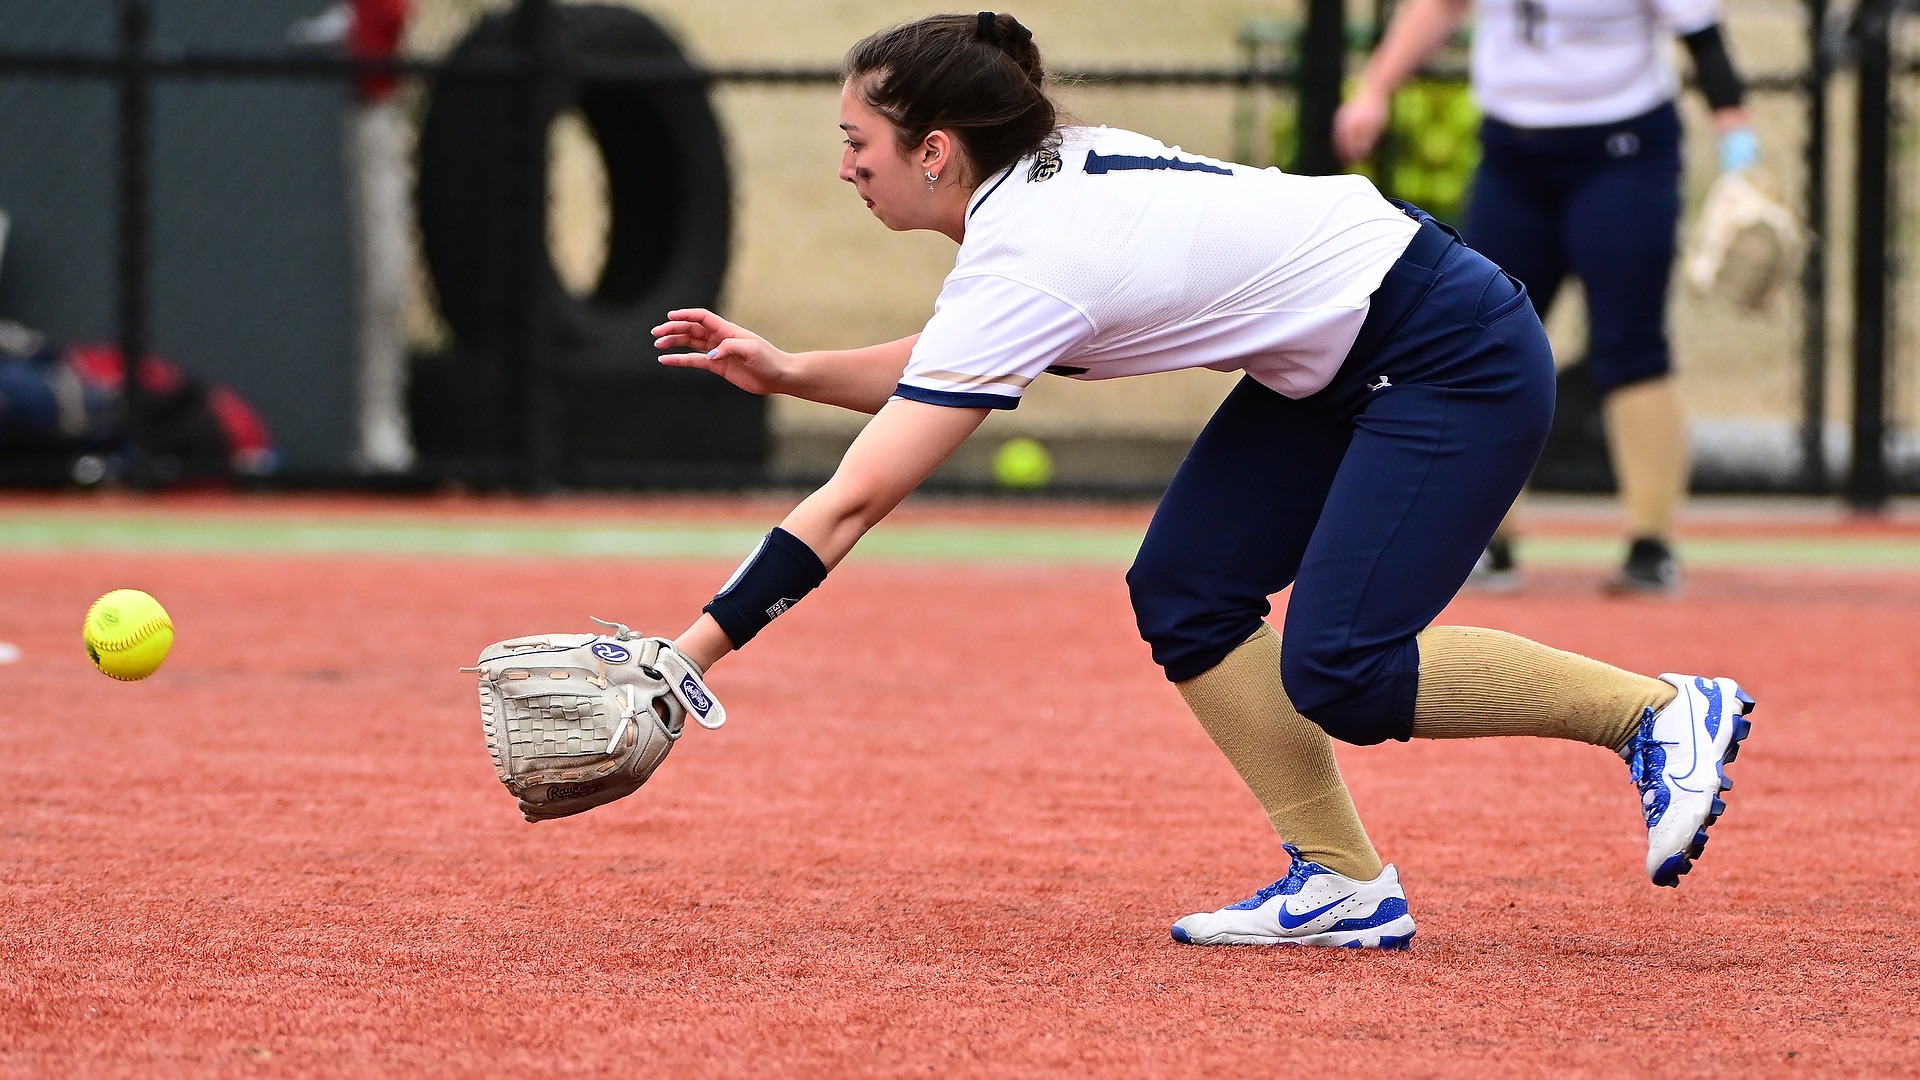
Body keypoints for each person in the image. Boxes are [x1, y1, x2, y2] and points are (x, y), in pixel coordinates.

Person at [629, 11, 1753, 948]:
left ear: (934, 151)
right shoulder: (1034, 198)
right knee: (1187, 589)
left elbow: (856, 499)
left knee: (1342, 668)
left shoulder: (1028, 253)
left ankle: (1655, 714)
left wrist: (690, 656)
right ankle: (1342, 886)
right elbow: (949, 366)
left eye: (856, 140)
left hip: (1448, 350)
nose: (843, 167)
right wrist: (790, 370)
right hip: (1360, 346)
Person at [1333, 0, 1758, 595]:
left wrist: (1741, 149)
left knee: (1629, 341)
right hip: (1512, 153)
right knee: (1477, 338)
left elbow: (1704, 39)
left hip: (1623, 151)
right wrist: (1375, 86)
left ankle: (1651, 544)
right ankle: (1485, 540)